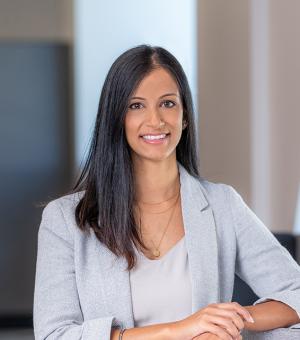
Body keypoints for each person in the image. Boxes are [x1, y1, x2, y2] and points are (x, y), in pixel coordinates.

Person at [33, 44, 300, 340]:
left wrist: (226, 323)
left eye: (168, 103)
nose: (156, 121)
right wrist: (180, 329)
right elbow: (54, 335)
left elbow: (295, 292)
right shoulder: (64, 221)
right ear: (116, 119)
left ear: (185, 116)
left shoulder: (223, 204)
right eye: (136, 106)